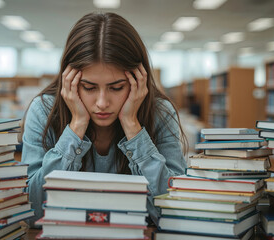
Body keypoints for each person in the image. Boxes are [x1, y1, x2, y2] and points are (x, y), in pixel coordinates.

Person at [21, 12, 187, 226]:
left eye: (116, 87)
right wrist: (76, 126)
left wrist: (133, 127)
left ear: (138, 80)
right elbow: (31, 212)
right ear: (69, 80)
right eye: (88, 87)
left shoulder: (160, 113)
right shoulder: (43, 110)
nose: (101, 102)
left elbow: (175, 211)